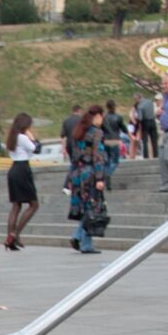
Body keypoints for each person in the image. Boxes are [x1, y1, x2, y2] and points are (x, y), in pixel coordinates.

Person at [67, 105, 108, 254]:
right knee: (92, 208)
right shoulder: (97, 133)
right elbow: (98, 156)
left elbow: (73, 155)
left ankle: (80, 238)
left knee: (86, 208)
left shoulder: (78, 132)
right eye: (101, 116)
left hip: (78, 173)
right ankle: (83, 241)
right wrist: (100, 178)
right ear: (97, 116)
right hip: (90, 174)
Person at [4, 112, 40, 251]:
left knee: (16, 206)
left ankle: (10, 238)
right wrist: (33, 138)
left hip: (14, 169)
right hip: (23, 169)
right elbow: (35, 149)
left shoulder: (12, 137)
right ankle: (15, 234)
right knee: (34, 204)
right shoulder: (23, 137)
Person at [101, 100, 128, 191]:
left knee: (107, 160)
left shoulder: (104, 118)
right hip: (115, 140)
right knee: (115, 161)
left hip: (105, 140)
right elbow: (124, 129)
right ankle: (108, 174)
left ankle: (106, 177)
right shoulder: (118, 117)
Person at [60, 104, 82, 195]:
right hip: (78, 145)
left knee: (75, 163)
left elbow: (63, 136)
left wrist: (63, 148)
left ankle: (75, 184)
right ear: (79, 111)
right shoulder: (81, 120)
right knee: (75, 164)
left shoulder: (66, 121)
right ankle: (67, 185)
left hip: (69, 145)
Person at [137, 92, 159, 158]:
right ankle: (156, 155)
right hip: (153, 121)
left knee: (145, 140)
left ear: (138, 98)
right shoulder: (150, 102)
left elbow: (140, 118)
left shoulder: (140, 106)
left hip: (145, 122)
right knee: (154, 140)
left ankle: (146, 156)